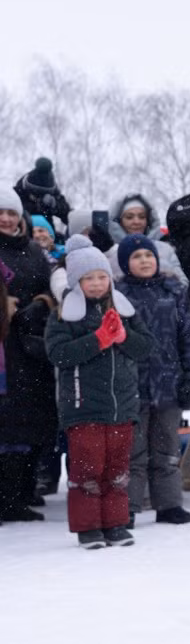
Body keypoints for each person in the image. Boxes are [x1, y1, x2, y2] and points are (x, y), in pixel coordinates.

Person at [46, 234, 155, 548]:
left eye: (101, 277)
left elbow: (145, 346)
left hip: (121, 407)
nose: (96, 283)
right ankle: (88, 527)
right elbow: (59, 354)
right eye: (88, 278)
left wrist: (122, 336)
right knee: (87, 470)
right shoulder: (63, 314)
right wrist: (98, 340)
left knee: (118, 470)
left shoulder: (124, 310)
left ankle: (116, 523)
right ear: (76, 281)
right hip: (83, 408)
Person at [116, 234, 190, 526]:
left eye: (148, 256)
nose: (144, 261)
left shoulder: (174, 291)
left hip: (169, 382)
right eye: (137, 257)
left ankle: (168, 504)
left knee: (167, 448)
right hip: (131, 385)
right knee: (133, 451)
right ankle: (127, 507)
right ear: (126, 264)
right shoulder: (118, 295)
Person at [0, 187, 58, 521]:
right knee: (6, 427)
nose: (7, 219)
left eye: (12, 213)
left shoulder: (34, 251)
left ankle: (22, 492)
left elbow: (50, 285)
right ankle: (6, 498)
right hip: (4, 348)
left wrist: (41, 304)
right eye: (1, 213)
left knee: (32, 422)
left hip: (32, 347)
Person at [108, 193, 187, 282]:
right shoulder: (110, 252)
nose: (136, 221)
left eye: (142, 217)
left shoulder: (165, 249)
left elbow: (182, 284)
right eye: (129, 217)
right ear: (119, 221)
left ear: (149, 220)